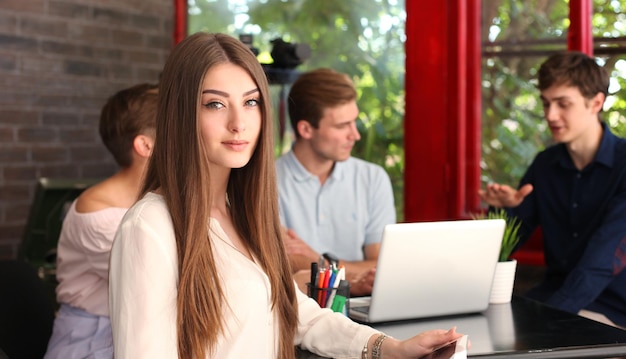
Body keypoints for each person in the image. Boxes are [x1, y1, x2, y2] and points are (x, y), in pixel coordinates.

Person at [108, 32, 463, 359]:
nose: (239, 123)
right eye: (215, 104)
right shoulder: (150, 226)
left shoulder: (244, 212)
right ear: (181, 114)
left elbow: (297, 315)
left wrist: (391, 348)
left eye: (250, 103)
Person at [478, 51, 626, 328]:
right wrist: (504, 209)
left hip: (613, 308)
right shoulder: (545, 165)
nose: (551, 115)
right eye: (546, 103)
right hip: (551, 297)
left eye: (563, 104)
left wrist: (549, 321)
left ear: (596, 102)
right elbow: (501, 248)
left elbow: (601, 262)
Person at [44, 83, 158, 358]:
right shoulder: (96, 215)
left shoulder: (155, 199)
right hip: (92, 341)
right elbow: (157, 284)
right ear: (145, 145)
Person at [276, 68, 395, 296]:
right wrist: (354, 273)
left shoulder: (373, 179)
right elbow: (283, 263)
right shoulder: (263, 184)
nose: (355, 135)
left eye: (354, 122)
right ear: (306, 129)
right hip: (297, 315)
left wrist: (316, 260)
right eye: (342, 126)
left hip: (361, 314)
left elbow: (381, 268)